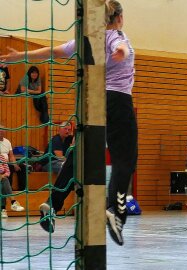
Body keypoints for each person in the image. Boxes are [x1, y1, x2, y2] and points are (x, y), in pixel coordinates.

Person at [0, 0, 137, 246]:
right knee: (125, 158)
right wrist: (120, 53)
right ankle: (114, 210)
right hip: (118, 100)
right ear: (119, 17)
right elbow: (120, 48)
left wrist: (20, 55)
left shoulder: (87, 40)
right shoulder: (117, 35)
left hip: (92, 101)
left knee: (79, 155)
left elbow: (53, 52)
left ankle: (52, 204)